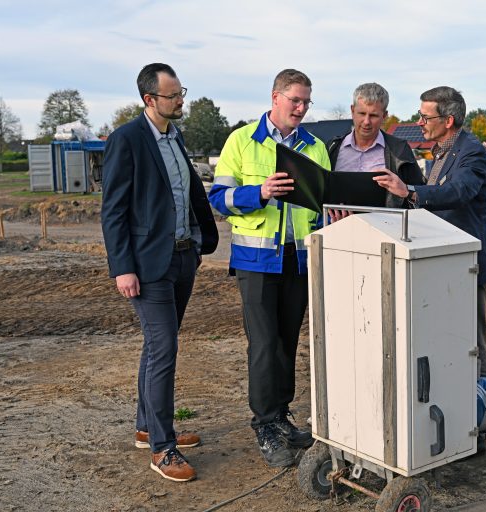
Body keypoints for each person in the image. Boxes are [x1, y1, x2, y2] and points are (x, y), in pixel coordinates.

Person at [101, 63, 218, 482]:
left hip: (183, 257)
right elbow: (112, 210)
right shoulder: (126, 140)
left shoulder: (175, 136)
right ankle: (163, 449)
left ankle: (147, 427)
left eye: (181, 91)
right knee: (163, 348)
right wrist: (123, 268)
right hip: (147, 265)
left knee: (156, 347)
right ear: (150, 99)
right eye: (173, 95)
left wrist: (203, 240)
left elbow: (186, 192)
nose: (181, 99)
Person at [208, 69, 330, 468]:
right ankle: (264, 425)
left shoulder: (315, 147)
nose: (301, 108)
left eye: (306, 102)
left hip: (299, 260)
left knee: (288, 342)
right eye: (295, 100)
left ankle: (281, 416)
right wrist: (258, 193)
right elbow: (218, 198)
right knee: (263, 345)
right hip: (256, 261)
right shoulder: (241, 141)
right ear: (275, 97)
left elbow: (325, 203)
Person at [373, 86, 486, 378]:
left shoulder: (472, 153)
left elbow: (459, 191)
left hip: (466, 262)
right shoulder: (442, 153)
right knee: (449, 336)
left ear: (448, 120)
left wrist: (410, 191)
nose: (420, 123)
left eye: (425, 117)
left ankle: (483, 402)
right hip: (444, 258)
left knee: (470, 341)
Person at [326, 82, 424, 212]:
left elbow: (419, 194)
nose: (366, 122)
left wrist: (405, 189)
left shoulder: (399, 150)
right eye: (362, 113)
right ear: (352, 110)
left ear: (384, 116)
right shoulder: (332, 147)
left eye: (373, 115)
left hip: (386, 229)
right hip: (337, 228)